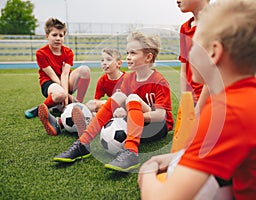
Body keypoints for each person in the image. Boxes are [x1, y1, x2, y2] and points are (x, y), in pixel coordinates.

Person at [138, 0, 256, 199]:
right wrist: (175, 158)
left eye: (193, 46)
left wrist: (147, 170)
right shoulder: (255, 97)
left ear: (213, 52)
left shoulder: (229, 113)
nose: (188, 55)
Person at [53, 31, 174, 173]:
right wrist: (120, 111)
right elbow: (121, 103)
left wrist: (131, 114)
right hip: (135, 122)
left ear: (148, 57)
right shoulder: (128, 78)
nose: (128, 57)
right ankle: (83, 143)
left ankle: (131, 152)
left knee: (131, 99)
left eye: (133, 53)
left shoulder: (159, 81)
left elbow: (161, 115)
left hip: (156, 127)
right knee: (118, 96)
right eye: (127, 53)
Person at [24, 18, 91, 136]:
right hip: (50, 83)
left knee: (85, 70)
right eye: (54, 35)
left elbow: (65, 74)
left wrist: (67, 94)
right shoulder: (41, 53)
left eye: (61, 35)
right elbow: (53, 76)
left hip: (65, 82)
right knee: (61, 94)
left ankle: (77, 104)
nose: (58, 38)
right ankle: (40, 108)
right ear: (47, 36)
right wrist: (67, 95)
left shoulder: (68, 52)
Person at [177, 0, 210, 104]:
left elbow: (217, 71)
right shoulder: (185, 28)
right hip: (192, 98)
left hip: (213, 99)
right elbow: (184, 68)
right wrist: (185, 99)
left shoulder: (218, 24)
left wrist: (199, 107)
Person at [85, 48, 125, 115]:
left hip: (125, 107)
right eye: (102, 60)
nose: (104, 63)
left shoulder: (127, 79)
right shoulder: (102, 80)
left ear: (119, 63)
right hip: (110, 106)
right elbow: (96, 100)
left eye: (109, 60)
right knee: (91, 104)